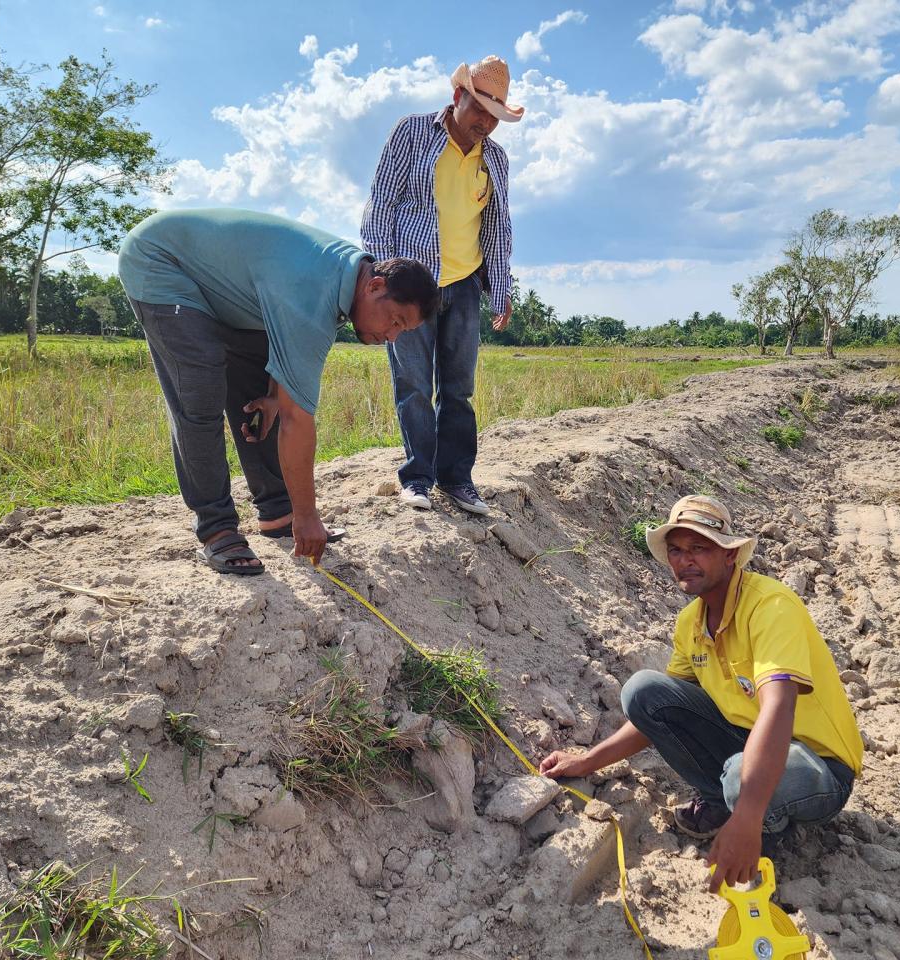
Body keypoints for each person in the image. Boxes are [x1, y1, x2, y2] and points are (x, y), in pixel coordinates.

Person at [540, 495, 863, 891]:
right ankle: (728, 799)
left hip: (819, 769)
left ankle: (760, 828)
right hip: (750, 749)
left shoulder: (770, 606)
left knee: (741, 779)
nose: (684, 560)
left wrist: (746, 817)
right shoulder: (691, 622)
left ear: (730, 555)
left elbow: (778, 709)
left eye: (699, 548)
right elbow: (658, 714)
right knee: (644, 691)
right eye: (676, 550)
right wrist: (587, 762)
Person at [118, 207, 439, 575]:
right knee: (199, 396)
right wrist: (309, 516)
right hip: (162, 261)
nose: (391, 338)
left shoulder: (343, 280)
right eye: (395, 322)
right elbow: (296, 419)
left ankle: (277, 512)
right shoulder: (312, 292)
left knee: (261, 399)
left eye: (402, 331)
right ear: (375, 286)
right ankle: (217, 528)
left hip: (232, 292)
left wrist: (274, 392)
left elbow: (283, 376)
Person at [361, 55, 523, 517]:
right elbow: (381, 204)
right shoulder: (411, 133)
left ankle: (458, 480)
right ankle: (417, 479)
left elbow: (498, 227)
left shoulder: (495, 159)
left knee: (459, 387)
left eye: (495, 117)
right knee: (412, 384)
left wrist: (501, 287)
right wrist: (381, 277)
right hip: (413, 285)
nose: (486, 124)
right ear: (458, 98)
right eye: (480, 111)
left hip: (466, 284)